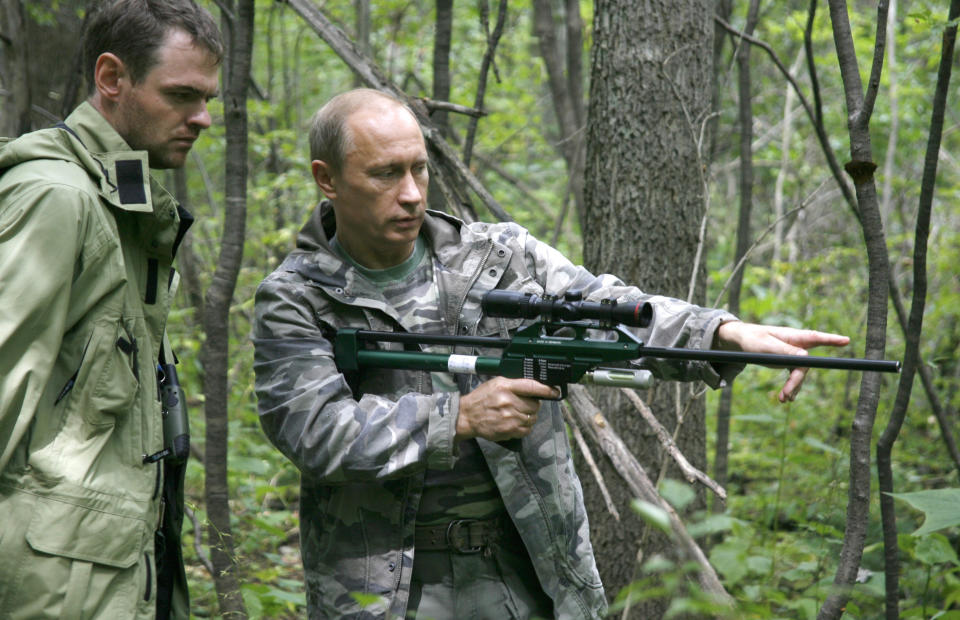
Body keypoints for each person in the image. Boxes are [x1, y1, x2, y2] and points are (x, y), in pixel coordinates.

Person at [252, 88, 850, 619]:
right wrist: (458, 418)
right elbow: (310, 429)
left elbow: (606, 307)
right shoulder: (297, 297)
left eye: (419, 170)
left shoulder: (497, 258)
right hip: (384, 590)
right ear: (327, 179)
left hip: (530, 573)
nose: (410, 194)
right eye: (384, 174)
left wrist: (722, 333)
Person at [0, 1, 222, 618]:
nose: (202, 118)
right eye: (181, 95)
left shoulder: (122, 198)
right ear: (112, 78)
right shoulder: (56, 198)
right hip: (51, 589)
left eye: (207, 98)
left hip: (109, 576)